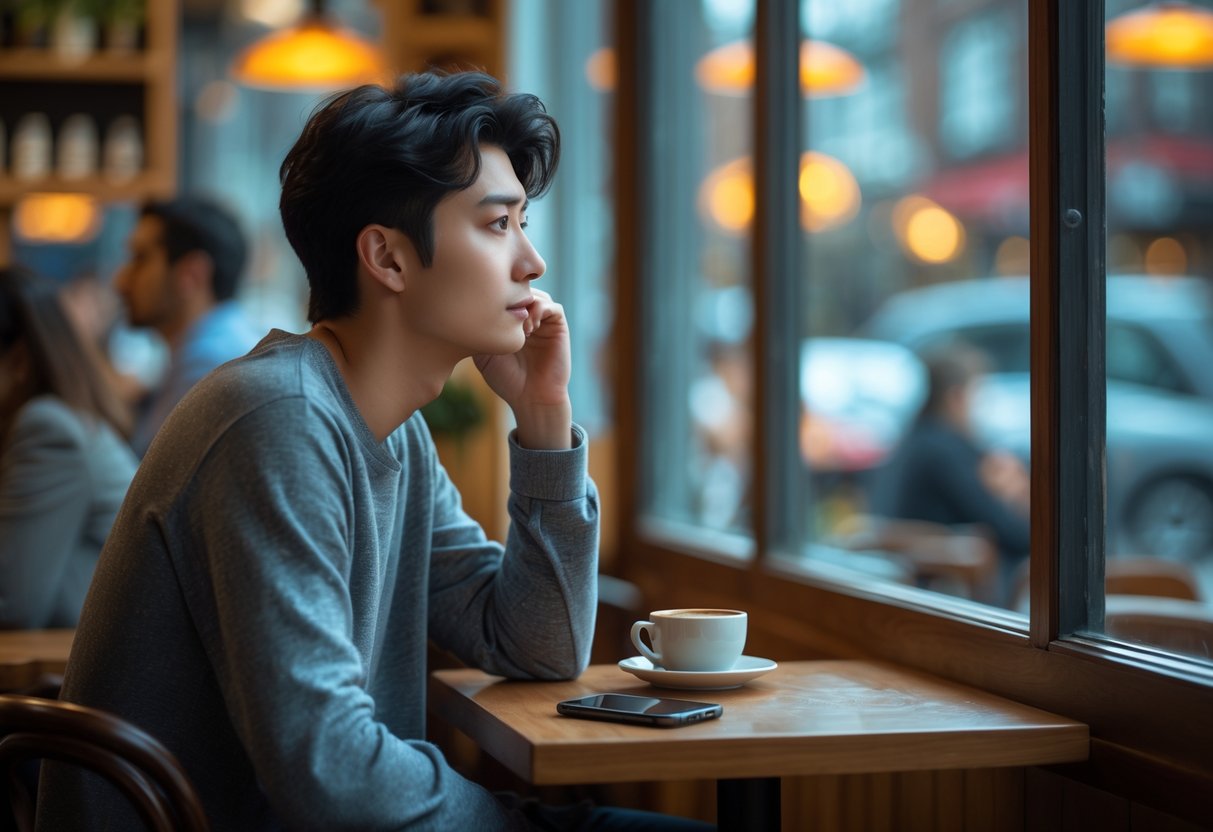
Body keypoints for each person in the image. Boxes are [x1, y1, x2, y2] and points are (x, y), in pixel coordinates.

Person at [39, 72, 709, 831]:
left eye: (524, 224)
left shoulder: (390, 430)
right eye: (498, 225)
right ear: (387, 259)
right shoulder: (278, 419)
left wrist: (543, 415)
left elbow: (536, 645)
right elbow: (327, 771)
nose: (532, 263)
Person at [0, 266, 138, 630]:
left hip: (82, 678)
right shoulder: (63, 420)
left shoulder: (46, 428)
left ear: (18, 360)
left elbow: (13, 605)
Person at [869, 343, 1030, 600]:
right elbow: (1013, 533)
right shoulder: (944, 451)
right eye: (979, 395)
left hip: (907, 589)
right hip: (938, 595)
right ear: (956, 397)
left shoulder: (916, 439)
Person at [114, 195, 262, 456]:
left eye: (140, 259)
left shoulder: (211, 366)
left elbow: (153, 487)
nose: (121, 281)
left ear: (191, 275)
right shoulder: (213, 351)